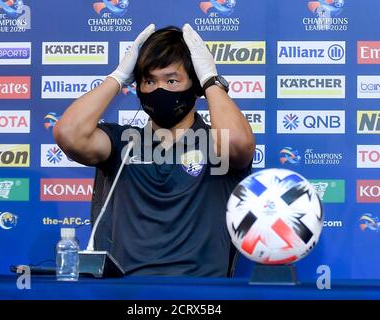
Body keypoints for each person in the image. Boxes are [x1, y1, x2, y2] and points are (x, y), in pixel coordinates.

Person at [53, 23, 255, 277]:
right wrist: (118, 76)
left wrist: (211, 80)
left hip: (201, 295)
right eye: (149, 81)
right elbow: (68, 133)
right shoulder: (122, 144)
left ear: (194, 87)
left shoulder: (216, 144)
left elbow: (238, 143)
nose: (159, 89)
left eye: (172, 80)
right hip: (127, 293)